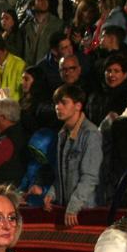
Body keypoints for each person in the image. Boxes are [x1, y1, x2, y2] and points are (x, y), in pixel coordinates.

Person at [43, 85, 102, 226]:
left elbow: (90, 176)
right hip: (69, 207)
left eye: (63, 102)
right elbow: (61, 172)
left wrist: (74, 205)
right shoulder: (63, 133)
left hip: (85, 209)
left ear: (78, 105)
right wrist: (53, 192)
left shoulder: (90, 134)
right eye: (56, 103)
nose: (58, 107)